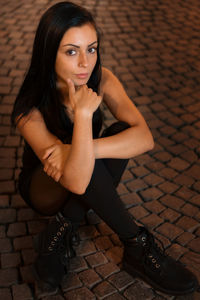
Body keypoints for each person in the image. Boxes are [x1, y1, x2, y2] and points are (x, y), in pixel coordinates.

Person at [11, 1, 198, 297]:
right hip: (45, 187)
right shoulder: (29, 107)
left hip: (81, 172)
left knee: (119, 134)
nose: (86, 63)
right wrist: (84, 116)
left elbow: (144, 138)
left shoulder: (103, 78)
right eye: (71, 51)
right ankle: (136, 244)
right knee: (94, 159)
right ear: (50, 54)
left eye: (92, 48)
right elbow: (75, 181)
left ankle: (59, 231)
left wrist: (79, 148)